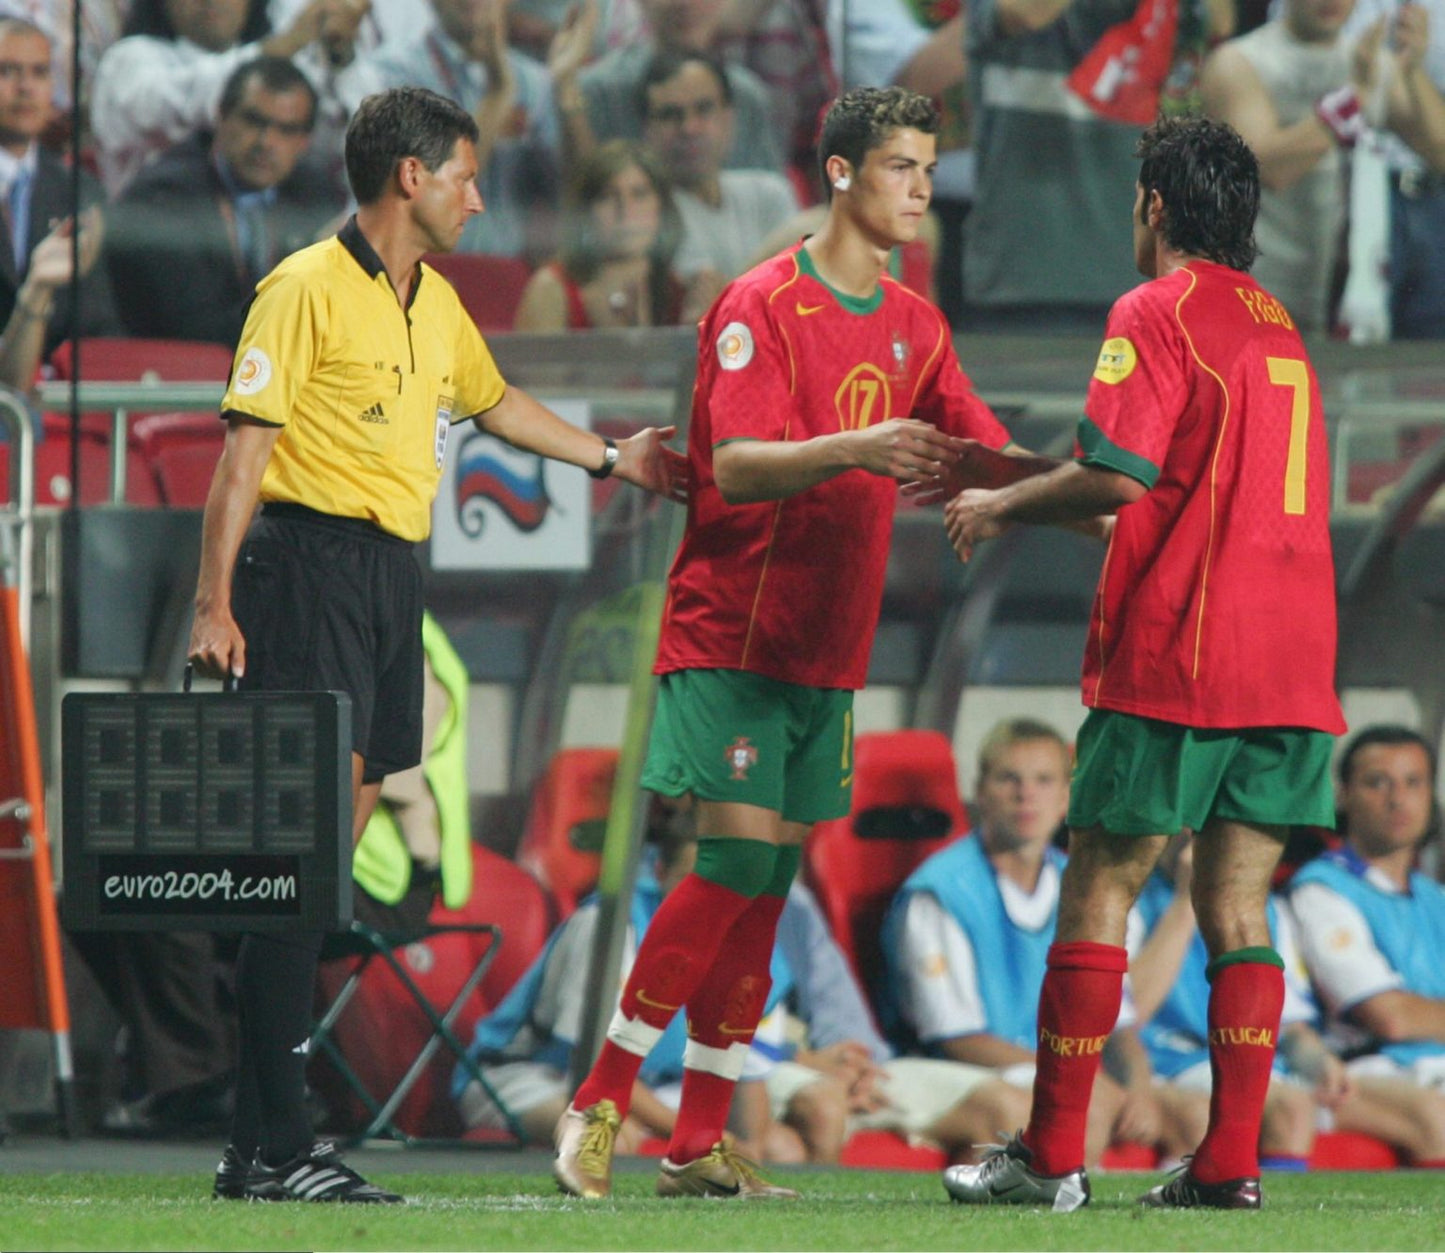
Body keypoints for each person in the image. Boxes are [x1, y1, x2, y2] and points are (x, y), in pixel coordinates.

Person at [185, 84, 686, 1204]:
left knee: (310, 884)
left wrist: (615, 458)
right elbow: (240, 458)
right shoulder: (301, 288)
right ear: (410, 176)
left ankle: (256, 1140)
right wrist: (213, 604)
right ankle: (274, 1142)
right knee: (297, 875)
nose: (476, 192)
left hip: (387, 578)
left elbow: (497, 404)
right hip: (305, 569)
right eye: (462, 172)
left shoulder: (436, 301)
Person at [552, 84, 1021, 1203]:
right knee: (727, 864)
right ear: (842, 174)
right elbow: (732, 464)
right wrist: (857, 442)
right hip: (730, 629)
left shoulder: (917, 320)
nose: (920, 188)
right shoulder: (758, 303)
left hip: (828, 644)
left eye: (927, 166)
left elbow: (977, 442)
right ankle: (599, 1097)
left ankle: (698, 1139)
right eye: (901, 166)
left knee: (770, 880)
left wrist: (1086, 496)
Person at [940, 114, 1346, 1211]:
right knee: (1236, 905)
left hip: (1184, 651)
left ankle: (1052, 1156)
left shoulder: (1153, 311)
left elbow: (1115, 475)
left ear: (1154, 206)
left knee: (1101, 883)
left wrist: (1000, 498)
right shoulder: (1280, 327)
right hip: (1296, 661)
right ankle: (1226, 1162)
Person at [455, 801, 798, 1162]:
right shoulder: (609, 926)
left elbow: (749, 1071)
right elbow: (593, 1064)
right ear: (661, 872)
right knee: (606, 1137)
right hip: (534, 1074)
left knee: (782, 1149)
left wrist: (747, 1151)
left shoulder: (753, 942)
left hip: (657, 1082)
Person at [879, 718, 1146, 1170]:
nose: (1027, 795)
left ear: (1066, 797)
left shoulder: (1088, 886)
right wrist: (1069, 1077)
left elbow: (1117, 1022)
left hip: (1043, 1067)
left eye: (1044, 780)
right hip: (942, 1068)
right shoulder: (939, 891)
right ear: (979, 791)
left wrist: (1139, 1085)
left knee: (1175, 1110)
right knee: (1080, 1105)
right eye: (1009, 779)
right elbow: (954, 1039)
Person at [1200, 0, 1445, 332]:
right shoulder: (1238, 61)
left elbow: (1440, 154)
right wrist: (1355, 98)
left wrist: (1411, 70)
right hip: (1258, 290)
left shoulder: (1366, 60)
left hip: (1338, 294)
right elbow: (1267, 168)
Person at [765, 875, 1036, 1166]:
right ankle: (814, 1212)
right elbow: (717, 1035)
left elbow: (838, 1008)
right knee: (823, 1108)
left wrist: (856, 1065)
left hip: (831, 1065)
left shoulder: (792, 899)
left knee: (1007, 1108)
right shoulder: (718, 886)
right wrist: (800, 1058)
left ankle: (964, 1212)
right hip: (756, 1065)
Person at [1127, 831, 1348, 1170]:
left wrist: (1318, 1061)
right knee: (1206, 1112)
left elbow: (1287, 1023)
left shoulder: (1259, 907)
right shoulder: (1132, 899)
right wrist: (1188, 901)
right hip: (1159, 1064)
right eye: (1183, 820)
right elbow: (1130, 1011)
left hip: (1238, 1060)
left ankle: (1275, 1220)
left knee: (1294, 1108)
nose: (1192, 834)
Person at [1287, 725, 1445, 1165]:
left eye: (1414, 783)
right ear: (1343, 795)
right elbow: (1388, 1017)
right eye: (1378, 782)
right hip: (1368, 1069)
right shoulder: (1322, 888)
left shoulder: (1434, 896)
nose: (1398, 798)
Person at [106, 56, 341, 347]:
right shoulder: (163, 197)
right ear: (221, 115)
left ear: (305, 140)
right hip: (182, 377)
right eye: (254, 121)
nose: (266, 142)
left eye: (287, 130)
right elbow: (196, 329)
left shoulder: (315, 195)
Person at [366, 0, 595, 261]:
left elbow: (576, 193)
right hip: (423, 269)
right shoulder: (392, 73)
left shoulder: (534, 82)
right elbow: (429, 196)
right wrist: (497, 95)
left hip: (506, 273)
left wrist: (565, 88)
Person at [90, 0, 378, 199]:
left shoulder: (279, 65)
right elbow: (177, 106)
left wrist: (339, 56)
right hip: (151, 244)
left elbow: (349, 142)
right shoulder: (129, 59)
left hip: (265, 242)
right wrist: (285, 44)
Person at [0, 17, 116, 362]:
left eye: (39, 72)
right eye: (7, 71)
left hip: (51, 397)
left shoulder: (80, 192)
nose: (25, 88)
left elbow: (96, 323)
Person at [638, 49, 798, 283]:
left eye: (704, 109)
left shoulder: (769, 192)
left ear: (729, 118)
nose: (689, 128)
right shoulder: (645, 210)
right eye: (670, 115)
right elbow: (708, 304)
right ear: (647, 130)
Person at [512, 138, 705, 330]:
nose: (625, 210)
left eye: (639, 194)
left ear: (662, 208)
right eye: (607, 196)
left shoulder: (678, 292)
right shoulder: (550, 290)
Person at [1341, 0, 1445, 339]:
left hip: (1434, 199)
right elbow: (1348, 89)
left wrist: (1408, 71)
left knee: (1430, 359)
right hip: (1350, 193)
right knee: (1351, 345)